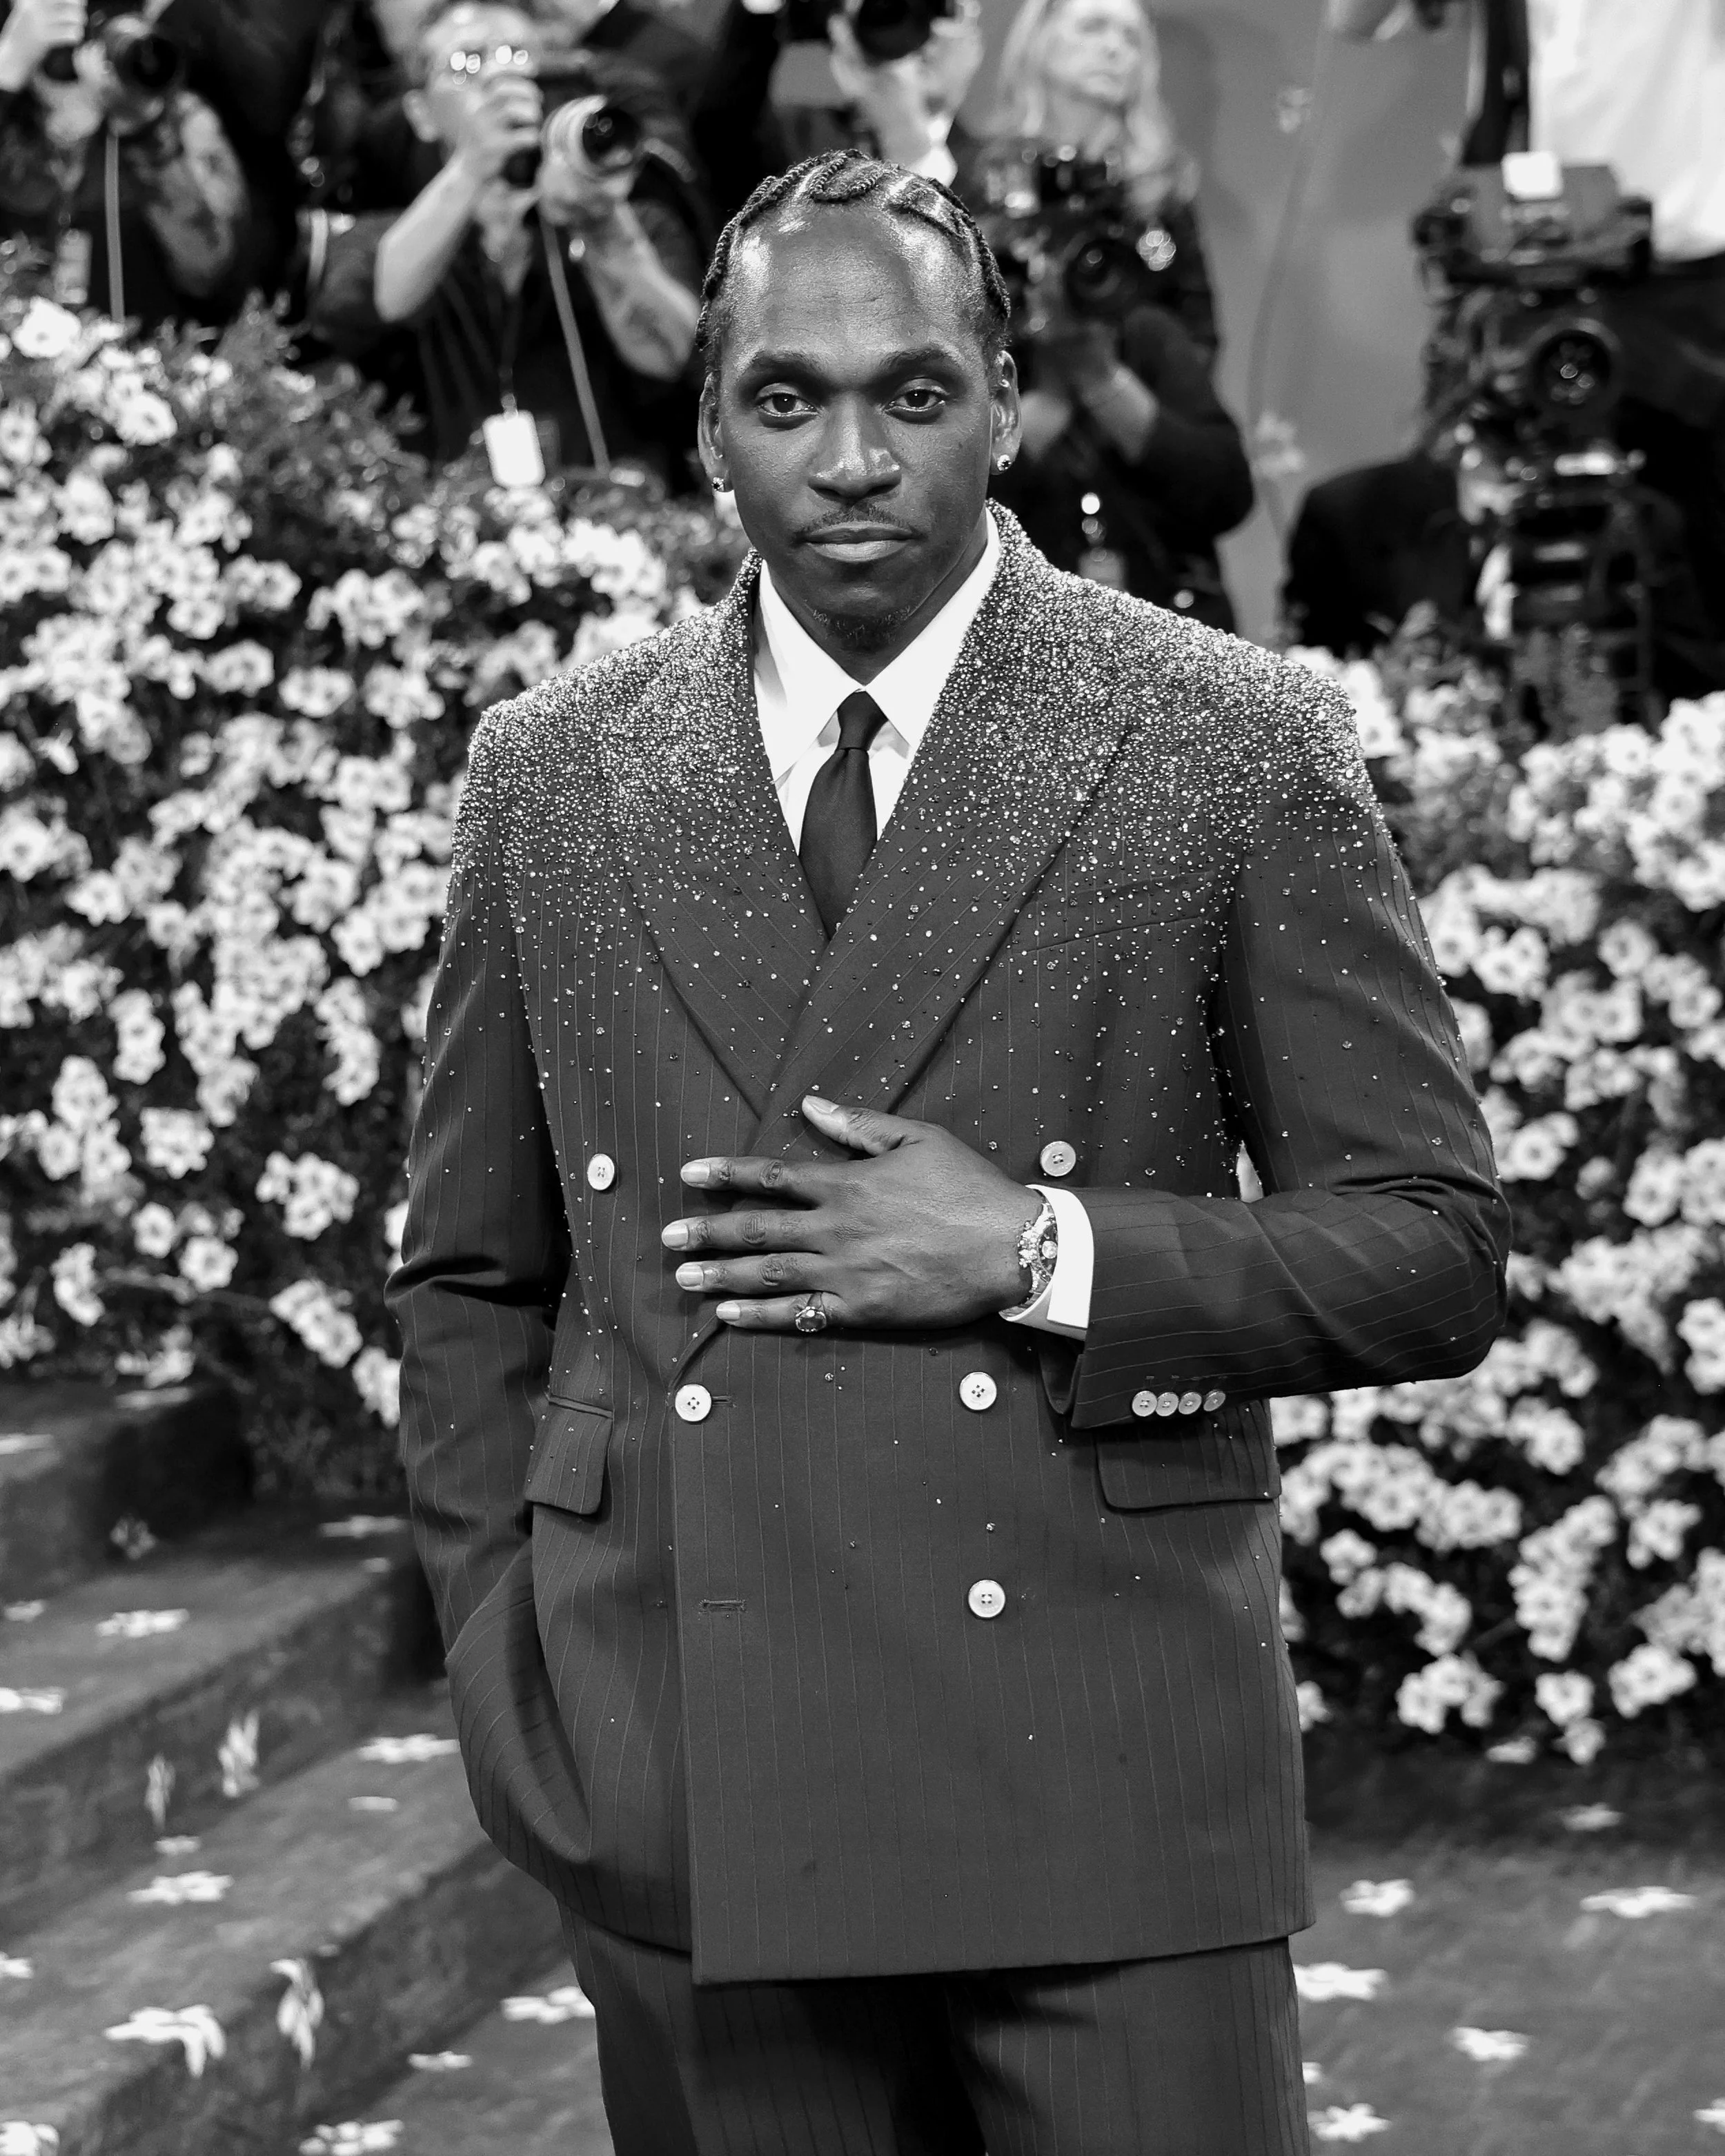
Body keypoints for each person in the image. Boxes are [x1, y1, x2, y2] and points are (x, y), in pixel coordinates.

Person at [389, 145, 1510, 2155]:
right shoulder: (549, 773)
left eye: (910, 392)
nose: (849, 459)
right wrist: (518, 1669)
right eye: (785, 398)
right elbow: (473, 1276)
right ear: (707, 424)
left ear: (1001, 404)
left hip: (1105, 1770)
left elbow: (1433, 1248)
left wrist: (1035, 1253)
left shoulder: (1227, 736)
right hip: (688, 1777)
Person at [1329, 0, 1725, 648]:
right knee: (1548, 576)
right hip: (1541, 286)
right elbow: (1354, 18)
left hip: (1695, 297)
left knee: (1698, 581)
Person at [307, 0, 701, 482]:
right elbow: (362, 307)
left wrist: (604, 227)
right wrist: (474, 164)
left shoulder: (633, 222)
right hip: (452, 515)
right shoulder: (383, 238)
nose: (500, 79)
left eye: (519, 56)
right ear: (421, 113)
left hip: (612, 510)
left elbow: (677, 358)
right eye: (466, 63)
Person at [958, 0, 1252, 627]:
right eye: (1093, 27)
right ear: (1039, 43)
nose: (1115, 47)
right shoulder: (981, 182)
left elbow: (1196, 347)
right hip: (1019, 484)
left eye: (1130, 36)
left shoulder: (1162, 198)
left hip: (1144, 486)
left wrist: (1103, 375)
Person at [0, 0, 253, 326]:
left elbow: (208, 271)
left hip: (139, 346)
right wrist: (7, 70)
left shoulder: (176, 118)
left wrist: (144, 130)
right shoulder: (14, 109)